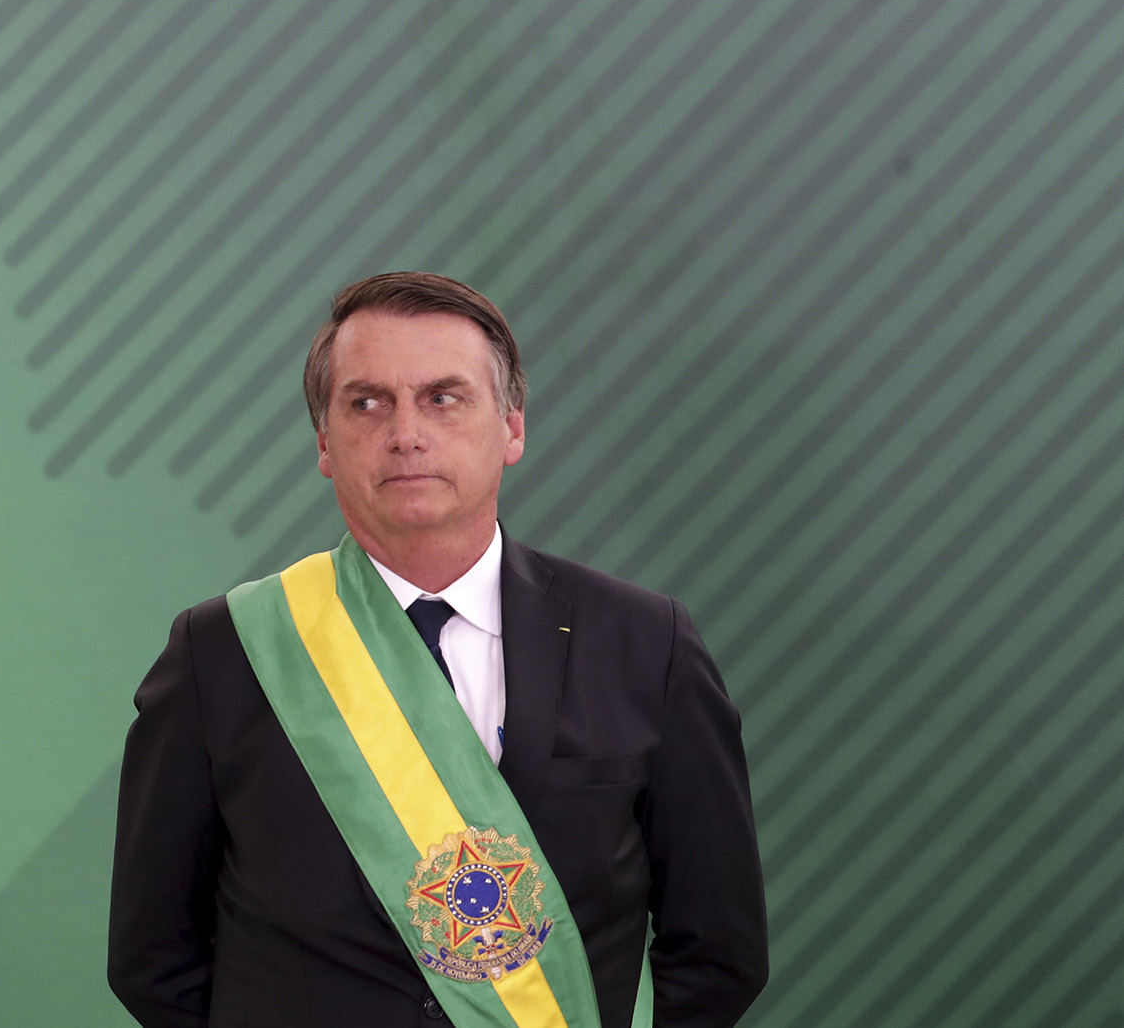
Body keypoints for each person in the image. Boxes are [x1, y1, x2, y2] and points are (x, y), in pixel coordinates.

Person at [108, 272, 767, 1028]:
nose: (406, 434)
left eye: (443, 398)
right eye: (367, 403)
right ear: (324, 442)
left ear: (512, 428)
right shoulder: (223, 653)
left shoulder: (646, 644)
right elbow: (152, 959)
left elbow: (719, 950)